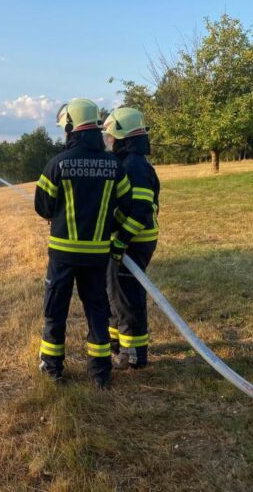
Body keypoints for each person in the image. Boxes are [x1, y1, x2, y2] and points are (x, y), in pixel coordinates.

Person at [35, 98, 135, 389]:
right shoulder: (114, 165)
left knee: (56, 310)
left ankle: (52, 368)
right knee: (97, 311)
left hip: (63, 254)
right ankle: (101, 373)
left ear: (70, 126)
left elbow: (43, 206)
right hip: (97, 256)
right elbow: (127, 205)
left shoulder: (58, 164)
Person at [102, 107, 160, 369]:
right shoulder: (130, 162)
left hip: (135, 242)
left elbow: (141, 212)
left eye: (111, 137)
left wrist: (121, 240)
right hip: (130, 241)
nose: (109, 142)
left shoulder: (134, 166)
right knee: (115, 293)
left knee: (127, 297)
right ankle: (118, 346)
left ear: (123, 136)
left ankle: (133, 354)